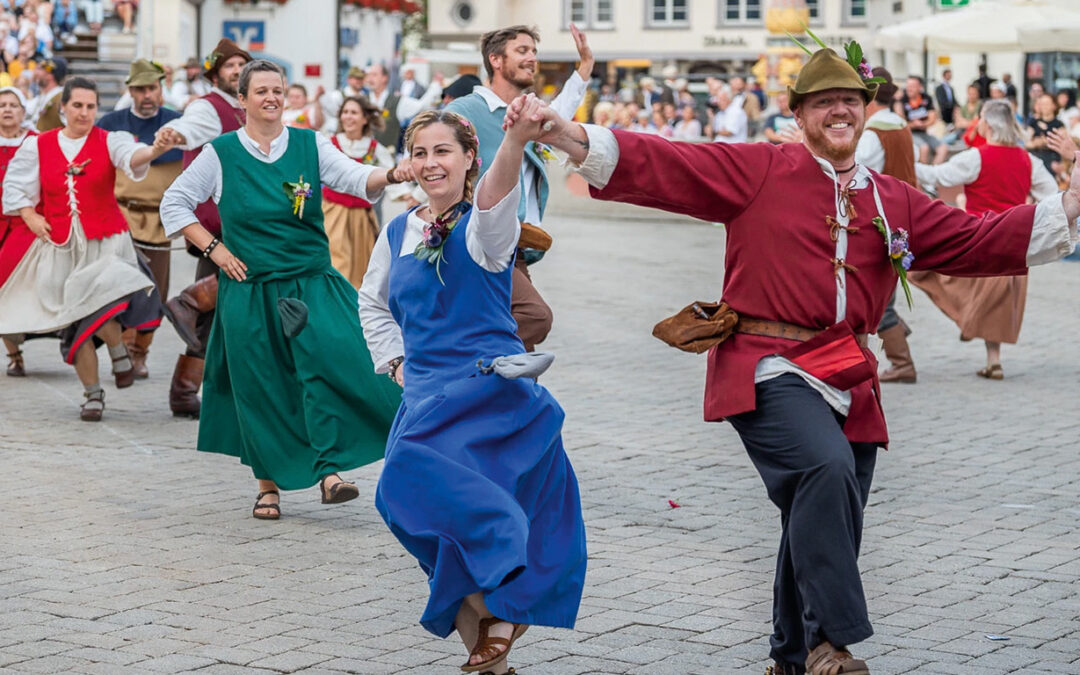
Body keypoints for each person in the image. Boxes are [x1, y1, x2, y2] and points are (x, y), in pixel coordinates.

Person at [507, 39, 1080, 675]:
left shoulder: (893, 198)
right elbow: (665, 163)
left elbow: (974, 239)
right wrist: (564, 131)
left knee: (824, 509)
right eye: (825, 103)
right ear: (799, 114)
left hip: (849, 373)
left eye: (850, 102)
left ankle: (791, 654)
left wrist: (1069, 207)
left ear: (864, 112)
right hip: (766, 362)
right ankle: (831, 640)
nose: (840, 112)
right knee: (825, 470)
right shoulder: (761, 168)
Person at [356, 102, 586, 675]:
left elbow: (498, 195)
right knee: (420, 521)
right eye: (420, 153)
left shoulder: (486, 227)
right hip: (425, 395)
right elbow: (372, 303)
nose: (431, 163)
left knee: (405, 487)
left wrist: (513, 143)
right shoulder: (397, 229)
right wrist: (394, 362)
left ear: (467, 160)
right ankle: (495, 639)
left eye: (443, 152)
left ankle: (505, 603)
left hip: (489, 399)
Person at [159, 59, 402, 520]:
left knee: (328, 368)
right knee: (262, 386)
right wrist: (215, 249)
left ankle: (329, 470)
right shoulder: (222, 152)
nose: (272, 97)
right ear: (243, 99)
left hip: (310, 282)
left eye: (279, 89)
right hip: (249, 290)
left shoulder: (311, 144)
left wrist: (392, 174)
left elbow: (353, 176)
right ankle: (267, 485)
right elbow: (175, 201)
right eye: (262, 90)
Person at [0, 76, 173, 420]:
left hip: (106, 244)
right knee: (78, 320)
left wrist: (154, 150)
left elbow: (132, 157)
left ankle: (114, 358)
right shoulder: (39, 145)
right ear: (62, 107)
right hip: (62, 247)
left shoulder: (110, 141)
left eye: (91, 106)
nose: (84, 112)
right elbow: (15, 188)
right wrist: (30, 216)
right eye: (77, 105)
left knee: (95, 311)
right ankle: (96, 389)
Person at [444, 23, 592, 352]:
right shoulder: (467, 110)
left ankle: (479, 382)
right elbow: (435, 149)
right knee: (535, 317)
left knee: (523, 360)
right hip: (480, 241)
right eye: (522, 51)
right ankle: (453, 357)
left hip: (518, 245)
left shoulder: (530, 112)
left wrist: (584, 68)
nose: (532, 58)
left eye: (534, 52)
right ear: (496, 60)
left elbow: (562, 113)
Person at [910, 100, 1058, 380]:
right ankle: (993, 358)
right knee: (999, 302)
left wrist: (908, 162)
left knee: (922, 270)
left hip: (978, 239)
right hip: (1014, 241)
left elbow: (938, 175)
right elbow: (1052, 196)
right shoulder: (1030, 161)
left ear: (986, 124)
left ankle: (972, 324)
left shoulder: (977, 156)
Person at [155, 38, 251, 418]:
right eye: (230, 66)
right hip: (219, 226)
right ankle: (189, 302)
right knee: (220, 309)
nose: (237, 71)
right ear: (215, 73)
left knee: (220, 312)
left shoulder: (245, 109)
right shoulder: (210, 108)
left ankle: (184, 389)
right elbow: (191, 126)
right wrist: (174, 135)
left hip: (240, 221)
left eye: (243, 66)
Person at [97, 58, 183, 379]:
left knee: (155, 290)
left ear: (161, 89)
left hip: (160, 221)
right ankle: (123, 348)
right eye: (140, 89)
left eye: (152, 87)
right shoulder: (111, 124)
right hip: (120, 217)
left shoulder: (179, 125)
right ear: (130, 91)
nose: (147, 95)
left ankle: (140, 352)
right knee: (116, 287)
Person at [855, 67, 919, 384]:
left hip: (882, 225)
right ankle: (896, 336)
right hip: (904, 220)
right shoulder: (903, 127)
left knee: (878, 303)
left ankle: (902, 362)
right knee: (882, 295)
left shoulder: (873, 134)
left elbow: (858, 176)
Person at [321, 94, 393, 287]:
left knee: (361, 268)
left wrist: (410, 196)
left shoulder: (374, 149)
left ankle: (354, 311)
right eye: (345, 112)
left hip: (361, 217)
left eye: (354, 112)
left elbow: (392, 174)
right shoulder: (329, 144)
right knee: (335, 263)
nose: (348, 117)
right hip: (332, 213)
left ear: (365, 118)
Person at [0, 85, 34, 376]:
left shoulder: (37, 142)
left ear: (23, 111)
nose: (7, 109)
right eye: (2, 105)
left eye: (13, 105)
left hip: (27, 226)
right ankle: (14, 353)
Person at [896, 75, 947, 164]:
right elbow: (900, 122)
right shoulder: (901, 100)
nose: (909, 89)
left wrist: (923, 124)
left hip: (923, 132)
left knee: (943, 148)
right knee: (924, 148)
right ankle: (922, 176)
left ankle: (932, 173)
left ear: (920, 87)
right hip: (908, 133)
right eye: (908, 86)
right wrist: (913, 125)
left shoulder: (926, 98)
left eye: (912, 86)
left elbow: (933, 117)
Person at [1026, 93, 1063, 174]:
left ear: (1054, 106)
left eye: (1047, 104)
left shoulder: (1059, 125)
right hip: (1035, 158)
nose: (1044, 106)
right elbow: (1027, 142)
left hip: (1052, 161)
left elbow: (1061, 144)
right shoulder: (1033, 122)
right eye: (1042, 104)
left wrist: (1044, 141)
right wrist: (1038, 143)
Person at [30, 53, 61, 130]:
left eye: (40, 69)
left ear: (50, 75)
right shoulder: (41, 96)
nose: (35, 72)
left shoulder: (60, 97)